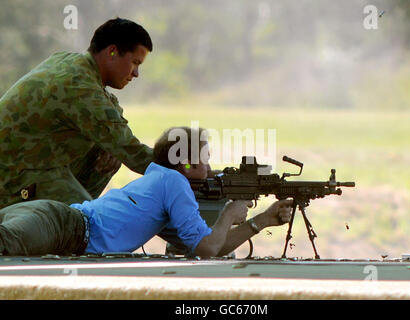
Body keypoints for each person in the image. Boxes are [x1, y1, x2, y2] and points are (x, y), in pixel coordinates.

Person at [0, 127, 292, 257]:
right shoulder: (173, 182)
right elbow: (207, 249)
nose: (209, 165)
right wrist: (229, 213)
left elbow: (212, 247)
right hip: (62, 225)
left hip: (56, 220)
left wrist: (262, 221)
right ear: (184, 162)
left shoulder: (163, 180)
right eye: (203, 158)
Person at [0, 18, 155, 209]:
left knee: (107, 149)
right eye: (135, 62)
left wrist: (112, 147)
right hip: (13, 179)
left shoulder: (69, 62)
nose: (136, 73)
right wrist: (186, 169)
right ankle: (71, 225)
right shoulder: (80, 86)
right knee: (93, 227)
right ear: (112, 51)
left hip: (30, 166)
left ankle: (70, 219)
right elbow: (134, 154)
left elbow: (112, 118)